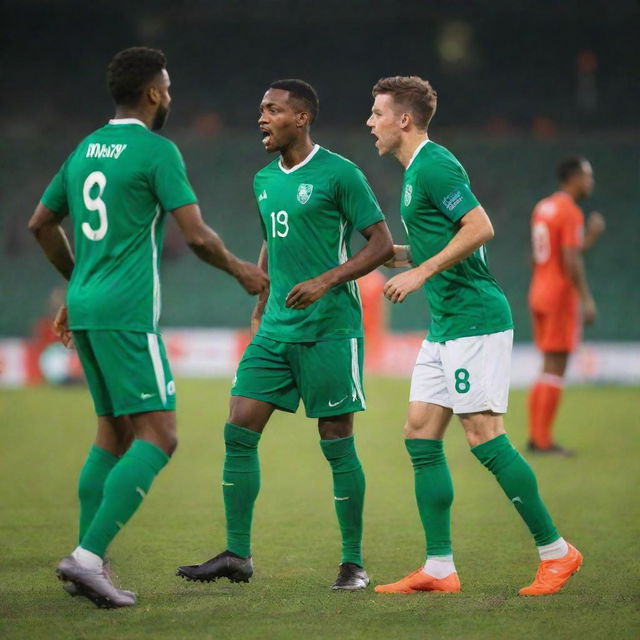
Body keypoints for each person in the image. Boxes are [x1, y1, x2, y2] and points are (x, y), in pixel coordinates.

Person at [28, 46, 268, 608]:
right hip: (125, 315)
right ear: (155, 93)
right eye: (168, 85)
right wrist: (241, 271)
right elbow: (199, 236)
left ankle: (93, 564)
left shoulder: (85, 149)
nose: (171, 93)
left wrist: (78, 279)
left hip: (85, 307)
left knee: (112, 433)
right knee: (160, 435)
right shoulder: (157, 152)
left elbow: (40, 223)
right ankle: (87, 558)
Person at [365, 75, 583, 596]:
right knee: (419, 433)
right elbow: (431, 245)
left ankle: (558, 553)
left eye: (376, 113)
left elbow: (479, 227)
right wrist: (374, 257)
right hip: (446, 325)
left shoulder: (435, 165)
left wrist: (418, 273)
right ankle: (439, 567)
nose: (369, 122)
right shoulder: (414, 173)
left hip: (475, 320)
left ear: (404, 119)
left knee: (485, 437)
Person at [176, 79, 394, 590]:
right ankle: (237, 554)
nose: (262, 118)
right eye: (260, 110)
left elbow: (381, 244)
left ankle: (353, 563)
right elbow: (272, 241)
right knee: (238, 428)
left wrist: (325, 280)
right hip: (275, 328)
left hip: (330, 329)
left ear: (301, 117)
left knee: (336, 440)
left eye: (272, 110)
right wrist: (259, 303)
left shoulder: (340, 173)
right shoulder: (263, 180)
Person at [527, 157, 605, 455]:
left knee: (546, 367)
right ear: (573, 178)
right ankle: (543, 440)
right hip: (559, 295)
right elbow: (570, 260)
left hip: (539, 290)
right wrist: (586, 297)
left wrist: (591, 237)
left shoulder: (543, 207)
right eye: (587, 176)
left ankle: (536, 437)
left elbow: (543, 255)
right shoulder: (570, 211)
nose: (590, 182)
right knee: (556, 369)